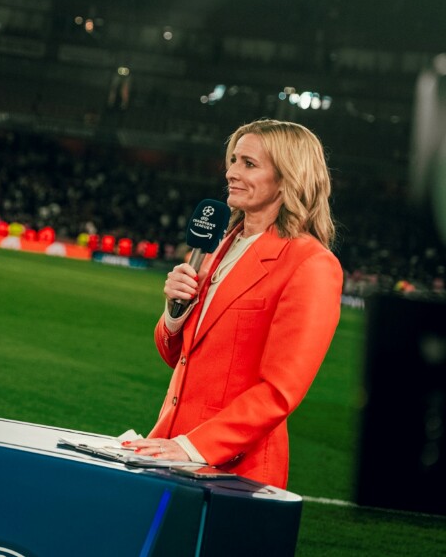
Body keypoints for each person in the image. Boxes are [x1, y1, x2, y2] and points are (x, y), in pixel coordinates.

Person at [126, 119, 342, 489]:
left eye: (249, 164)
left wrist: (191, 446)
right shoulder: (219, 246)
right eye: (233, 160)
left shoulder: (310, 264)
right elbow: (181, 357)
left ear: (288, 177)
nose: (231, 173)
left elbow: (279, 391)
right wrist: (173, 313)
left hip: (235, 469)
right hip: (169, 450)